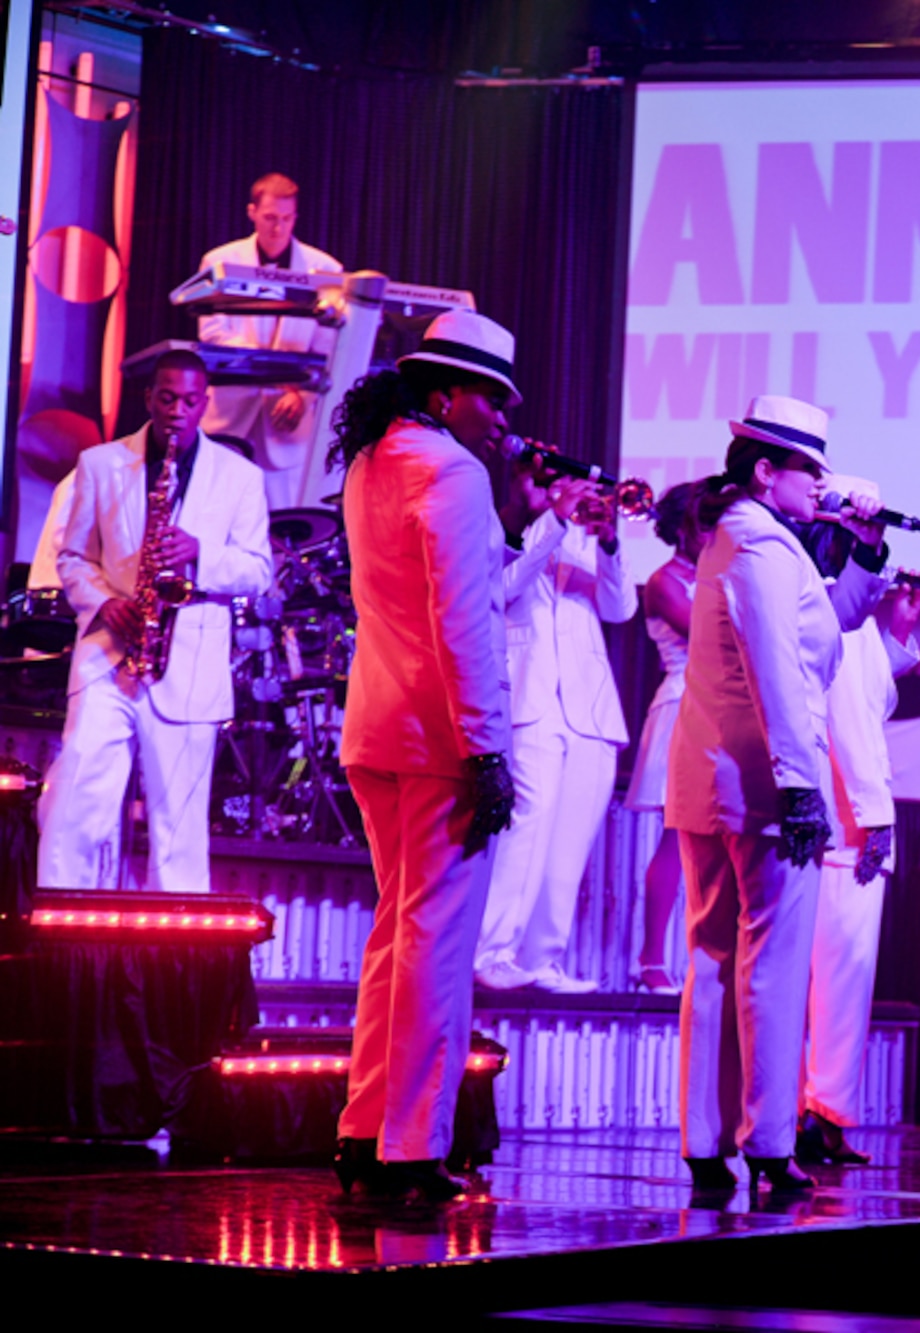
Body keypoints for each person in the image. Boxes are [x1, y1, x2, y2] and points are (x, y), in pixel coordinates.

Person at [666, 395, 892, 1195]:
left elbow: (825, 631)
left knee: (717, 961)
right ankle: (763, 1142)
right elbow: (776, 672)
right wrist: (801, 788)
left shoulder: (756, 540)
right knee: (769, 966)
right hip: (759, 787)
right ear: (767, 471)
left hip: (722, 782)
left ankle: (709, 1141)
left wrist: (866, 550)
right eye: (811, 468)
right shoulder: (760, 544)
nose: (822, 483)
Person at [331, 310, 518, 1202]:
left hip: (377, 726)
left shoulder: (374, 460)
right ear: (446, 392)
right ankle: (412, 1145)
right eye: (492, 398)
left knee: (396, 936)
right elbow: (464, 623)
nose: (503, 418)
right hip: (440, 736)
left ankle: (366, 1131)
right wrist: (486, 747)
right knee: (435, 946)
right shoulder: (450, 467)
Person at [37, 350, 272, 894]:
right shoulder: (99, 464)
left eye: (190, 401)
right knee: (75, 802)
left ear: (204, 404)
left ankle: (176, 959)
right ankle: (54, 930)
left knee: (178, 832)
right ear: (150, 398)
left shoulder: (241, 478)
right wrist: (102, 602)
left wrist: (200, 554)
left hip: (188, 666)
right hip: (109, 657)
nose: (177, 411)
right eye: (167, 398)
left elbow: (259, 570)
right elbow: (72, 557)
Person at [473, 452, 638, 995]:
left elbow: (620, 609)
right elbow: (504, 589)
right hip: (532, 699)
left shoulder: (589, 536)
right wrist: (556, 522)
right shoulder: (506, 529)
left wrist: (610, 542)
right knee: (529, 823)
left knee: (570, 844)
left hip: (590, 707)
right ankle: (492, 951)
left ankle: (544, 958)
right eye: (546, 481)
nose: (559, 490)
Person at [798, 476, 920, 1165]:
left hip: (850, 829)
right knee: (840, 979)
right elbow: (849, 727)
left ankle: (817, 1110)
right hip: (849, 833)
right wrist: (876, 821)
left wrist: (900, 634)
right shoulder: (826, 604)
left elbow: (871, 701)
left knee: (835, 979)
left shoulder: (854, 620)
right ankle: (820, 1113)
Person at [197, 173, 344, 514]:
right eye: (270, 218)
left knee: (282, 524)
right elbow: (215, 335)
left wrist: (302, 396)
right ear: (252, 212)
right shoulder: (219, 261)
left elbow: (329, 349)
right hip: (231, 416)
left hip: (288, 421)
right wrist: (285, 379)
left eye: (286, 219)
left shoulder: (326, 269)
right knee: (218, 517)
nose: (278, 228)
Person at [628, 481, 705, 994]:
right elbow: (709, 632)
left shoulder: (720, 574)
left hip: (719, 706)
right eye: (705, 522)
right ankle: (651, 959)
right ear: (682, 528)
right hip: (683, 703)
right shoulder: (662, 581)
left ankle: (699, 959)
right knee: (676, 840)